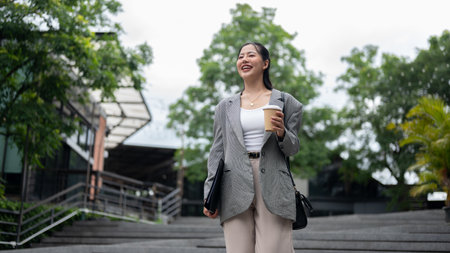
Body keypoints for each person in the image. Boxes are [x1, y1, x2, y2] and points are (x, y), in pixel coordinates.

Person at [203, 42, 303, 253]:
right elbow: (217, 151)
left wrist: (282, 132)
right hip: (233, 182)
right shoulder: (225, 106)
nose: (244, 60)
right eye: (240, 57)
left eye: (251, 55)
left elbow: (293, 148)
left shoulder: (287, 102)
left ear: (265, 63)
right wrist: (209, 192)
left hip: (274, 181)